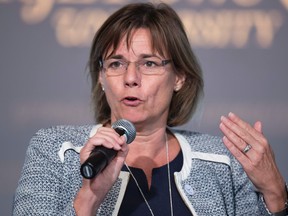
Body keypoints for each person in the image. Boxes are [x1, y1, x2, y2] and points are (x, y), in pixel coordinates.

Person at [13, 2, 287, 216]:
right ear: (101, 77)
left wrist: (275, 194)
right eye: (116, 63)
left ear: (179, 77)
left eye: (149, 64)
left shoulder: (223, 163)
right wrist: (88, 200)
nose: (130, 78)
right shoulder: (55, 152)